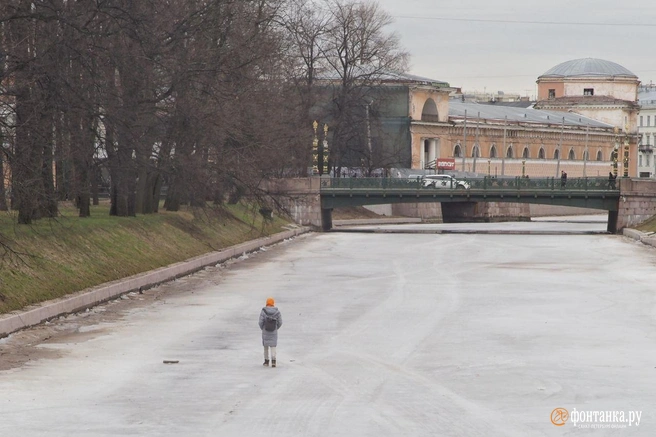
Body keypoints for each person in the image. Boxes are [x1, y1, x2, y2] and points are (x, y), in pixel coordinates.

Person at [259, 297, 282, 367]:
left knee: (265, 346)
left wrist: (262, 328)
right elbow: (280, 322)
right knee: (273, 346)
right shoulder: (277, 312)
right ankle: (274, 361)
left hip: (265, 330)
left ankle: (266, 361)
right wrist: (276, 327)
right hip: (273, 331)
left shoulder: (263, 311)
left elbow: (260, 322)